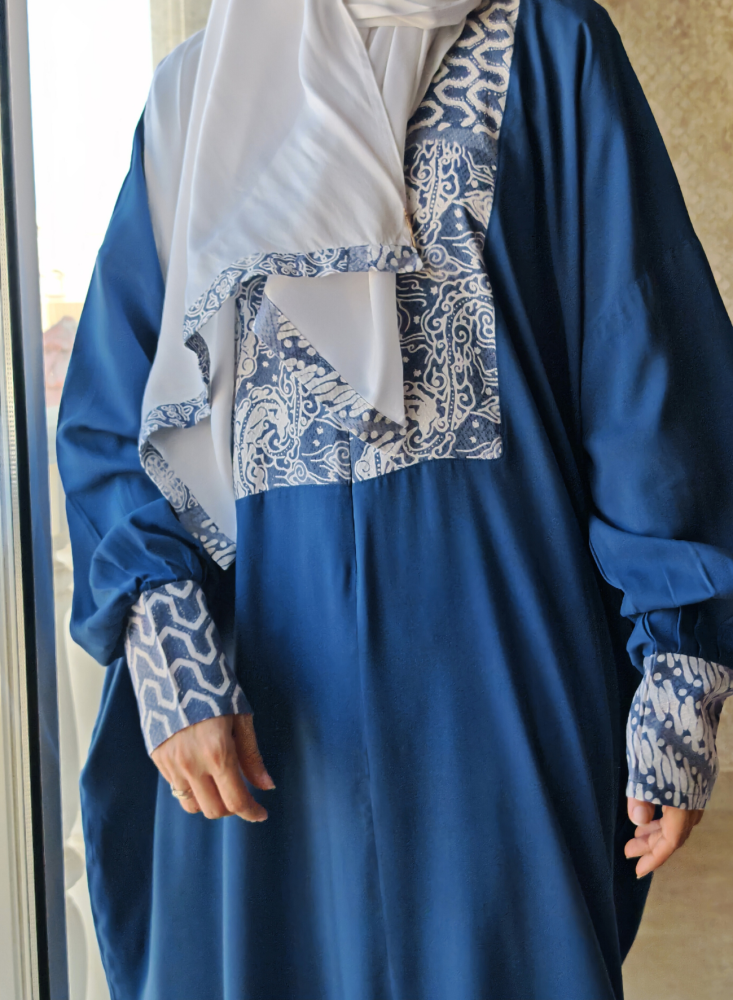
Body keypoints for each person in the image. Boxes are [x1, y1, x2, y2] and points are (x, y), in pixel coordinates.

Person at [57, 0, 733, 997]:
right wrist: (171, 649)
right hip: (258, 692)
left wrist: (678, 659)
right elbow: (119, 406)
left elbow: (640, 358)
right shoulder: (194, 95)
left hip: (495, 671)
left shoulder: (549, 47)